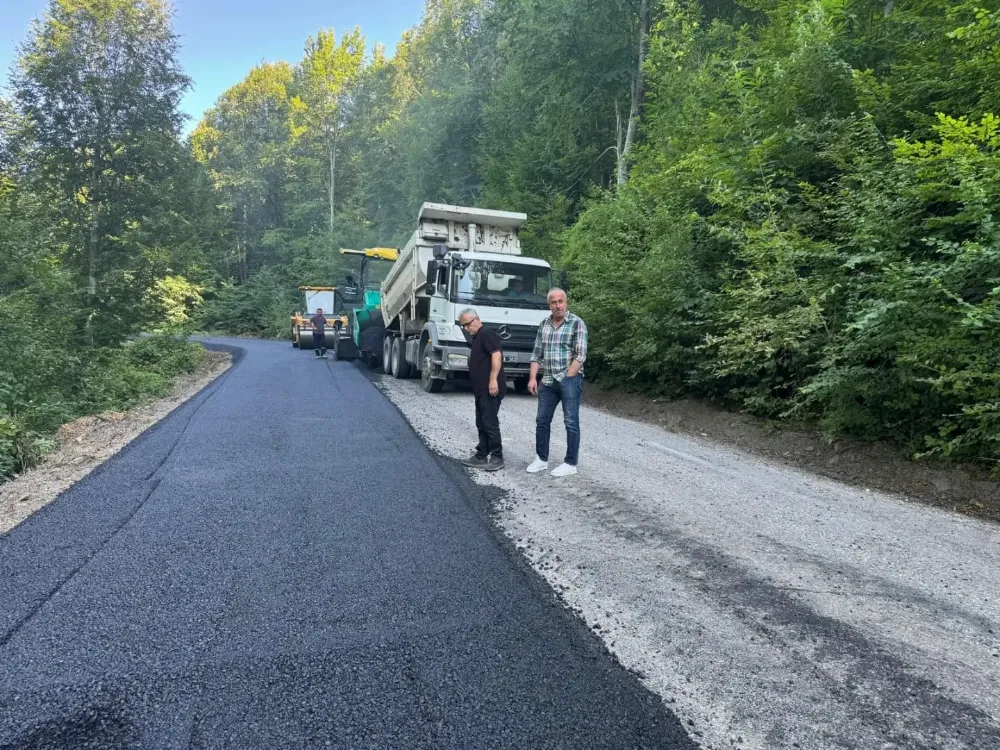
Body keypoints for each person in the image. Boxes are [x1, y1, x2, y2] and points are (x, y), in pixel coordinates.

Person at [526, 288, 588, 477]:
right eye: (554, 302)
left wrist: (569, 376)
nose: (558, 305)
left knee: (571, 422)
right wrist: (532, 378)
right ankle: (541, 459)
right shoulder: (544, 324)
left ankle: (570, 463)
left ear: (566, 303)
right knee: (542, 421)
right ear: (549, 305)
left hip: (569, 380)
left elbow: (581, 355)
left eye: (561, 301)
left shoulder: (577, 323)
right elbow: (537, 354)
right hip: (547, 380)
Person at [458, 308, 506, 471]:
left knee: (490, 422)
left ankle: (497, 457)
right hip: (481, 389)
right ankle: (481, 455)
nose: (466, 328)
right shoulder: (478, 337)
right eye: (463, 326)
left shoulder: (487, 334)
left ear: (477, 319)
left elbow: (496, 355)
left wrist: (493, 380)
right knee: (481, 421)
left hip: (490, 389)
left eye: (467, 324)